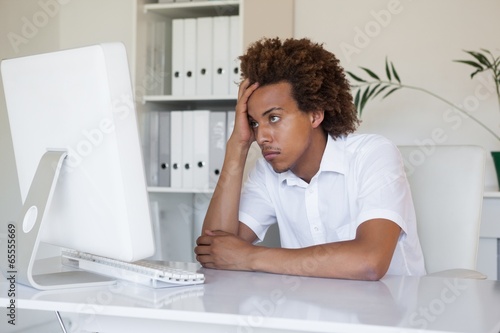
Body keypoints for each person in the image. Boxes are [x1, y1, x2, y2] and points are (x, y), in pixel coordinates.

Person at [194, 37, 426, 281]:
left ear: (315, 115)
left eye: (273, 118)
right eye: (254, 122)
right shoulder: (267, 172)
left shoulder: (372, 154)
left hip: (392, 313)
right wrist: (237, 146)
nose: (261, 136)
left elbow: (369, 261)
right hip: (309, 314)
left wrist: (249, 257)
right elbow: (215, 251)